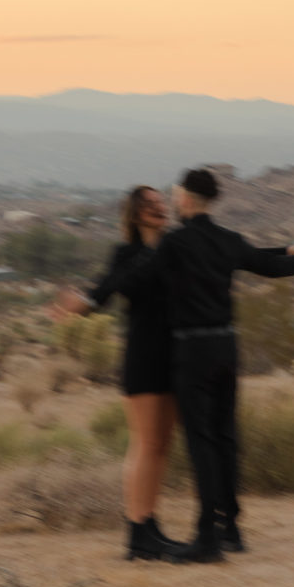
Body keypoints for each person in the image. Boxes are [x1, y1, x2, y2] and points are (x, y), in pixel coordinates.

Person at [117, 168, 294, 563]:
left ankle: (206, 539)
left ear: (184, 199)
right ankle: (230, 528)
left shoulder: (177, 243)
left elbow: (131, 280)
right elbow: (261, 261)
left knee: (203, 444)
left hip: (191, 353)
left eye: (172, 196)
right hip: (227, 348)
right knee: (226, 438)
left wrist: (96, 293)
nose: (169, 202)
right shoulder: (226, 239)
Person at [53, 185, 179, 561]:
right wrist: (84, 304)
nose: (161, 208)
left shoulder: (176, 248)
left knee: (162, 445)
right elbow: (106, 289)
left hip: (174, 354)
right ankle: (137, 533)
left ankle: (151, 525)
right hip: (142, 354)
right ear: (137, 214)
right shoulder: (127, 254)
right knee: (144, 443)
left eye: (162, 203)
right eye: (152, 205)